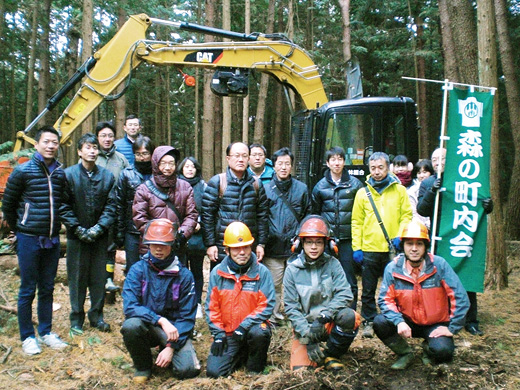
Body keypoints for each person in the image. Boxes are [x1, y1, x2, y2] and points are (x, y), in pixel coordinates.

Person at [2, 126, 69, 355]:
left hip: (51, 240)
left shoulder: (61, 173)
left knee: (48, 288)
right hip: (29, 238)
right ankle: (27, 336)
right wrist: (21, 227)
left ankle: (47, 331)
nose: (51, 146)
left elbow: (63, 202)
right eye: (46, 142)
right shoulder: (23, 172)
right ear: (37, 144)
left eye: (55, 142)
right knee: (28, 288)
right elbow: (8, 206)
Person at [417, 147, 493, 336]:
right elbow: (422, 210)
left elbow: (478, 202)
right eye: (434, 160)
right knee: (438, 277)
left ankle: (471, 319)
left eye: (442, 159)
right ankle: (442, 315)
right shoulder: (428, 182)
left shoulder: (466, 181)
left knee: (465, 275)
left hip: (463, 235)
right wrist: (433, 191)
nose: (438, 163)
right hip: (439, 238)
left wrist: (487, 206)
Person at [374, 221, 470, 369]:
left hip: (436, 323)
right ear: (403, 246)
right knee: (380, 322)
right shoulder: (393, 268)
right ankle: (405, 353)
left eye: (419, 244)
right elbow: (385, 300)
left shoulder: (439, 265)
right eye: (409, 244)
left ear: (426, 246)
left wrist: (451, 328)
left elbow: (460, 297)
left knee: (443, 352)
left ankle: (428, 348)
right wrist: (398, 321)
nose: (414, 249)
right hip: (407, 321)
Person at [121, 219, 201, 383]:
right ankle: (143, 366)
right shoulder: (137, 270)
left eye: (163, 244)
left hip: (175, 330)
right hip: (147, 325)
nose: (158, 249)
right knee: (131, 326)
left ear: (172, 245)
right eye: (154, 244)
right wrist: (159, 320)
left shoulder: (184, 276)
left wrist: (171, 347)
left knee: (188, 370)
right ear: (147, 244)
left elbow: (187, 317)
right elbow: (130, 307)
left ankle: (167, 349)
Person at [283, 215, 361, 371]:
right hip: (305, 326)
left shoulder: (333, 264)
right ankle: (315, 350)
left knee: (349, 317)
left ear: (326, 244)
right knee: (302, 370)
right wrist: (308, 337)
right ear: (300, 244)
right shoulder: (292, 270)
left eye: (318, 242)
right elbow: (291, 308)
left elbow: (345, 294)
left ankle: (331, 354)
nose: (314, 247)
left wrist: (324, 316)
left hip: (327, 322)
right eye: (309, 242)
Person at [351, 152, 412, 338]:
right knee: (368, 289)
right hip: (369, 248)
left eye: (381, 168)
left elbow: (406, 215)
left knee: (394, 287)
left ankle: (393, 320)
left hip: (392, 249)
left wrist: (401, 235)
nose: (377, 172)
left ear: (388, 168)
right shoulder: (363, 193)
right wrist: (357, 247)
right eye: (373, 168)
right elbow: (357, 221)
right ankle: (369, 320)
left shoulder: (399, 190)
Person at [61, 133, 116, 335]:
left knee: (98, 277)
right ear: (79, 151)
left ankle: (97, 316)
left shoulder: (107, 176)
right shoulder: (68, 175)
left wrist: (98, 228)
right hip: (77, 237)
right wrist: (77, 228)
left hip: (100, 237)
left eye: (95, 147)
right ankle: (76, 317)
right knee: (77, 277)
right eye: (88, 147)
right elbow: (63, 205)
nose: (92, 151)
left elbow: (112, 206)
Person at [205, 222, 275, 378]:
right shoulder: (217, 273)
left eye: (246, 247)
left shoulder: (261, 272)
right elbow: (212, 307)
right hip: (229, 334)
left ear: (251, 247)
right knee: (214, 372)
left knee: (260, 333)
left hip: (251, 329)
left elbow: (267, 305)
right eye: (236, 248)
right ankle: (240, 353)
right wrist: (218, 335)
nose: (242, 252)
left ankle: (255, 368)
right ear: (227, 250)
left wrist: (244, 326)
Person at [263, 147, 311, 326]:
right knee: (273, 284)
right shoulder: (265, 188)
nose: (283, 167)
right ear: (274, 166)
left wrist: (301, 237)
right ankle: (272, 316)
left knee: (298, 283)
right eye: (280, 163)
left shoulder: (302, 189)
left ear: (292, 166)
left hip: (295, 246)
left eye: (287, 164)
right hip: (272, 246)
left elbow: (308, 214)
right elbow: (262, 216)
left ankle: (297, 316)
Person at [202, 142, 269, 267]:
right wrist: (210, 244)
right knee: (222, 283)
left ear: (248, 159)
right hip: (223, 247)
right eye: (236, 155)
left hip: (248, 247)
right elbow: (207, 216)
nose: (240, 159)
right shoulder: (218, 182)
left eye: (244, 156)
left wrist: (261, 244)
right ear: (228, 158)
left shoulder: (256, 184)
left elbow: (262, 216)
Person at [312, 146, 363, 310]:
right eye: (333, 159)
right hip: (327, 240)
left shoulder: (355, 185)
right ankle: (325, 310)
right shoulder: (320, 187)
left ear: (344, 161)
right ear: (327, 163)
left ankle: (351, 312)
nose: (337, 163)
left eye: (340, 159)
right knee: (325, 276)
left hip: (348, 239)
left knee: (349, 278)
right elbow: (316, 213)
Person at [132, 146, 198, 261]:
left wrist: (180, 235)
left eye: (171, 163)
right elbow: (139, 218)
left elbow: (191, 215)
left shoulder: (185, 187)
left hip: (177, 246)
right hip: (151, 247)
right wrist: (159, 237)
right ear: (156, 164)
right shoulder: (143, 189)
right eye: (163, 163)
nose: (167, 167)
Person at [95, 120, 129, 294]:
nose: (107, 139)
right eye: (103, 136)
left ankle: (107, 278)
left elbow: (128, 183)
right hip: (93, 211)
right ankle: (92, 279)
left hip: (114, 210)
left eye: (110, 136)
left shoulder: (121, 159)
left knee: (110, 248)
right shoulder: (92, 157)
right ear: (97, 138)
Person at [114, 136, 155, 273]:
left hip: (154, 228)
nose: (142, 158)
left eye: (145, 154)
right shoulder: (126, 174)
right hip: (132, 230)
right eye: (138, 154)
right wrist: (120, 231)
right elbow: (120, 203)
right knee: (133, 268)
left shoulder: (158, 174)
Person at [177, 156, 206, 319]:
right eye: (186, 166)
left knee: (197, 271)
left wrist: (198, 222)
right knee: (180, 270)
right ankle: (182, 303)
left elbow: (207, 209)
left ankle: (197, 304)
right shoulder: (175, 185)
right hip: (180, 235)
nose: (189, 169)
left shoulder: (203, 186)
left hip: (197, 237)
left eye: (192, 166)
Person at [407, 159, 434, 230]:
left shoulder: (437, 187)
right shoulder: (412, 191)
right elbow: (413, 212)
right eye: (419, 173)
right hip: (419, 228)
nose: (422, 176)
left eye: (425, 172)